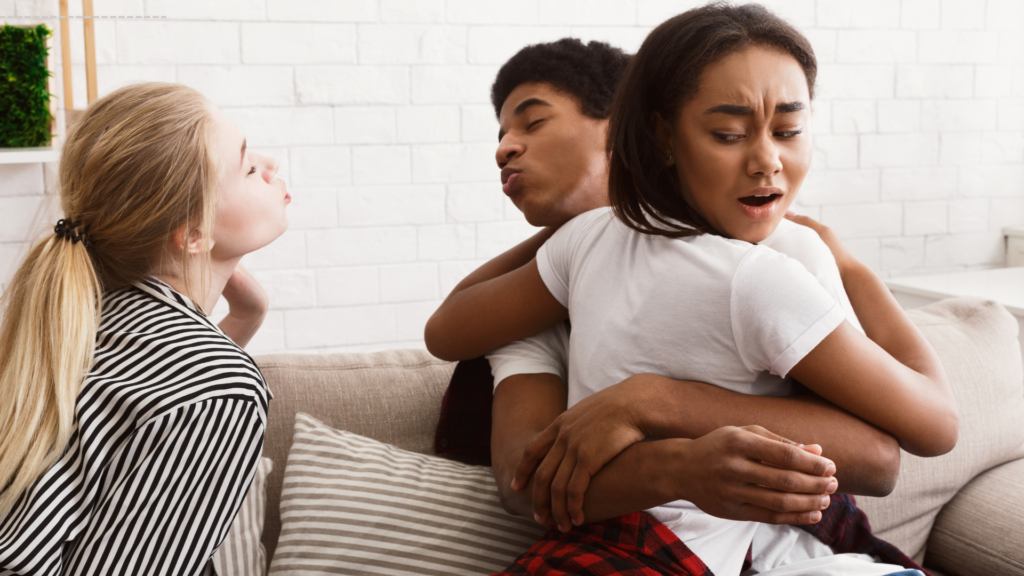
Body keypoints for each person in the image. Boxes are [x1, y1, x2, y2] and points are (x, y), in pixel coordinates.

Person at [426, 6, 957, 576]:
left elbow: (899, 444)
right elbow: (451, 335)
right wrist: (599, 216)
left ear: (617, 125)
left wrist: (653, 402)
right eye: (728, 134)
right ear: (662, 136)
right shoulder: (580, 248)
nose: (767, 161)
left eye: (788, 131)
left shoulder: (773, 265)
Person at [0, 82, 287, 575]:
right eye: (246, 167)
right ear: (193, 234)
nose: (270, 164)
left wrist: (242, 320)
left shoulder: (84, 318)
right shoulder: (221, 389)